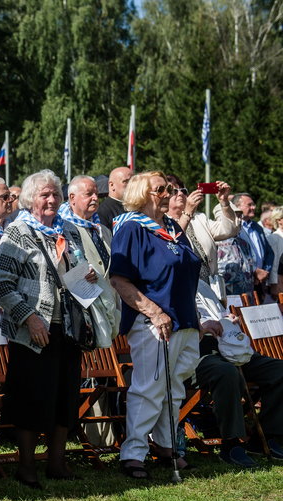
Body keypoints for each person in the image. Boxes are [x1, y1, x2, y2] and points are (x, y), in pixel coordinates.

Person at [0, 169, 95, 488]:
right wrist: (29, 317)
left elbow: (71, 278)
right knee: (32, 399)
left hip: (68, 329)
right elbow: (0, 284)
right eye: (44, 194)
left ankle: (57, 463)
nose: (51, 200)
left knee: (65, 396)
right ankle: (26, 466)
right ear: (29, 200)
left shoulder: (68, 232)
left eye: (55, 194)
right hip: (34, 331)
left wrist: (85, 279)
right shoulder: (17, 232)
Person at [109, 171, 201, 479]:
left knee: (174, 388)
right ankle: (133, 453)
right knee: (149, 387)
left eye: (168, 189)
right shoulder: (132, 228)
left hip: (184, 319)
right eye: (161, 189)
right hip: (154, 322)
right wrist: (153, 312)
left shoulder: (172, 227)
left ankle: (165, 446)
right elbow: (119, 279)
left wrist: (193, 317)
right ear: (143, 194)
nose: (167, 194)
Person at [194, 280, 283, 466]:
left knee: (278, 370)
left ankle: (266, 437)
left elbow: (221, 315)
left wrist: (229, 320)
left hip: (229, 348)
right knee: (226, 372)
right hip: (195, 354)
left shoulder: (201, 285)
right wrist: (202, 326)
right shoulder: (165, 286)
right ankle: (231, 444)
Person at [164, 176, 236, 300]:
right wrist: (187, 212)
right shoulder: (161, 222)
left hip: (209, 288)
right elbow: (171, 243)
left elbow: (229, 230)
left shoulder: (199, 218)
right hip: (183, 289)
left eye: (184, 191)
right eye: (175, 191)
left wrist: (224, 202)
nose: (180, 194)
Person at [233, 193, 273, 301]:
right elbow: (234, 256)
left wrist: (265, 271)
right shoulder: (233, 228)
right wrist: (254, 271)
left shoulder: (257, 227)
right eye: (249, 205)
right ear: (237, 207)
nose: (253, 207)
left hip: (260, 283)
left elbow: (269, 252)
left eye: (253, 204)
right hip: (243, 284)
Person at [264, 206, 283, 297]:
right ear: (279, 220)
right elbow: (274, 263)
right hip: (279, 283)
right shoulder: (273, 238)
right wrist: (275, 283)